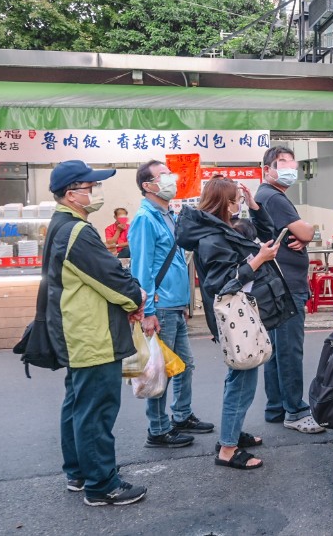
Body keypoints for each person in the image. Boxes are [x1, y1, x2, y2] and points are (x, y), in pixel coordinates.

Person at [46, 160, 148, 506]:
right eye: (91, 187)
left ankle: (79, 472)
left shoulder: (61, 225)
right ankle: (101, 484)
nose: (96, 192)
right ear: (72, 194)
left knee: (77, 404)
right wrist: (137, 297)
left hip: (77, 331)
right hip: (93, 334)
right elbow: (109, 277)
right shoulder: (77, 231)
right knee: (96, 410)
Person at [176, 179, 295, 470]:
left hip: (245, 315)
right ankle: (228, 449)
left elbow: (262, 235)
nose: (239, 204)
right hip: (236, 319)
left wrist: (255, 207)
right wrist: (257, 261)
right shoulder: (212, 238)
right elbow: (221, 283)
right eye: (236, 200)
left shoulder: (222, 229)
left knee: (239, 377)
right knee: (242, 380)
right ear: (225, 204)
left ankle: (232, 432)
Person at [131, 160, 213, 449]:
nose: (170, 179)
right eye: (163, 175)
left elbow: (177, 260)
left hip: (174, 304)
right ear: (148, 185)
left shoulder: (167, 214)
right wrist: (148, 312)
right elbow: (141, 270)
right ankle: (158, 429)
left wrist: (185, 302)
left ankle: (181, 414)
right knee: (159, 369)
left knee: (184, 365)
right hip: (159, 306)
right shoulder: (145, 218)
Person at [256, 146, 324, 434]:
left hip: (277, 284)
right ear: (268, 168)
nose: (289, 168)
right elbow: (308, 231)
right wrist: (305, 233)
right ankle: (295, 411)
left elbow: (300, 235)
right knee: (289, 350)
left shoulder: (268, 195)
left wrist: (302, 236)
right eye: (282, 163)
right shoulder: (273, 196)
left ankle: (276, 407)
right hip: (285, 285)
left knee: (276, 349)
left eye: (293, 164)